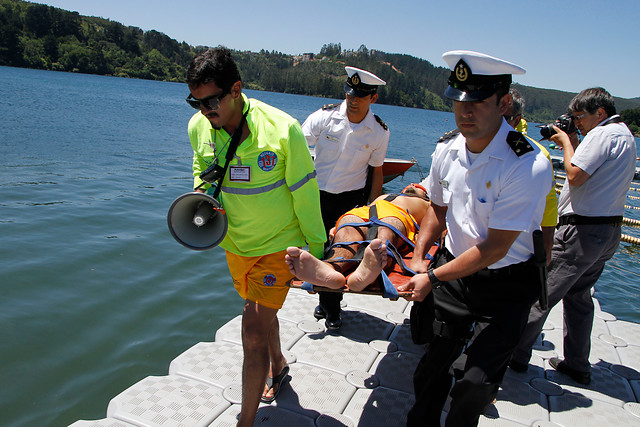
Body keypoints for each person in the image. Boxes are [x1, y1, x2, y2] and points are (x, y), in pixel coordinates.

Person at [399, 50, 552, 427]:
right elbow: (438, 208)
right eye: (458, 101)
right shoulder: (446, 151)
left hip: (506, 285)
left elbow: (496, 246)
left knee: (474, 384)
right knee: (429, 372)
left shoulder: (527, 164)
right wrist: (420, 256)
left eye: (477, 103)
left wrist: (432, 277)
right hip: (455, 275)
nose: (464, 112)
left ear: (503, 104)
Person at [185, 47, 326, 427]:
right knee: (261, 315)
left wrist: (315, 251)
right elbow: (202, 175)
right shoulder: (199, 128)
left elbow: (306, 192)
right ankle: (278, 365)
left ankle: (245, 421)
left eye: (211, 100)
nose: (204, 111)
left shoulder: (283, 130)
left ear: (236, 89)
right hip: (235, 244)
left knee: (251, 330)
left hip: (279, 246)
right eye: (195, 102)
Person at [509, 87, 637, 385]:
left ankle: (514, 355)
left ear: (600, 113)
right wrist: (575, 140)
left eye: (580, 117)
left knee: (542, 292)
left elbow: (576, 174)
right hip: (607, 232)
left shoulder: (603, 135)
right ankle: (577, 363)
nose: (576, 122)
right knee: (579, 298)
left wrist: (566, 142)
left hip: (581, 230)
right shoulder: (625, 135)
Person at [302, 66, 390, 329]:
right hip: (314, 195)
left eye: (360, 96)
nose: (353, 100)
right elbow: (295, 145)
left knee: (340, 254)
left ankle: (331, 307)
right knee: (318, 249)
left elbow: (376, 172)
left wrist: (372, 212)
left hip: (349, 201)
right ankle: (326, 298)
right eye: (350, 94)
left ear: (373, 98)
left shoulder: (378, 132)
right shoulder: (324, 117)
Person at [285, 184, 430, 291]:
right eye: (411, 185)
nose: (412, 186)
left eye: (418, 187)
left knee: (382, 239)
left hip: (395, 215)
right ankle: (330, 269)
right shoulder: (387, 197)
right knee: (346, 235)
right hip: (364, 212)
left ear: (425, 195)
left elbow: (433, 227)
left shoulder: (427, 204)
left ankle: (363, 271)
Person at [505, 88, 558, 260]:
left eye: (504, 118)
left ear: (517, 119)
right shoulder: (467, 144)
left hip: (517, 253)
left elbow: (549, 205)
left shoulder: (538, 155)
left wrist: (547, 249)